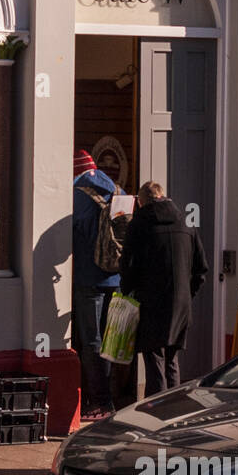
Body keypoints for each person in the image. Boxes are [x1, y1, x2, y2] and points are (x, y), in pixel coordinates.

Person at [119, 181, 209, 396]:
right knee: (171, 359)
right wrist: (187, 295)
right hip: (180, 304)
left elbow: (127, 266)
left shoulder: (139, 225)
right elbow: (201, 269)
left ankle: (156, 411)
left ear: (141, 202)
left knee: (154, 360)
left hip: (150, 302)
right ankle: (173, 408)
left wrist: (128, 294)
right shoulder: (185, 224)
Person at [72, 149, 130, 419]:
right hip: (116, 278)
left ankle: (99, 402)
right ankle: (113, 398)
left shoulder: (78, 195)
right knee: (111, 340)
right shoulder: (119, 191)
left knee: (91, 341)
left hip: (88, 278)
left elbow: (73, 234)